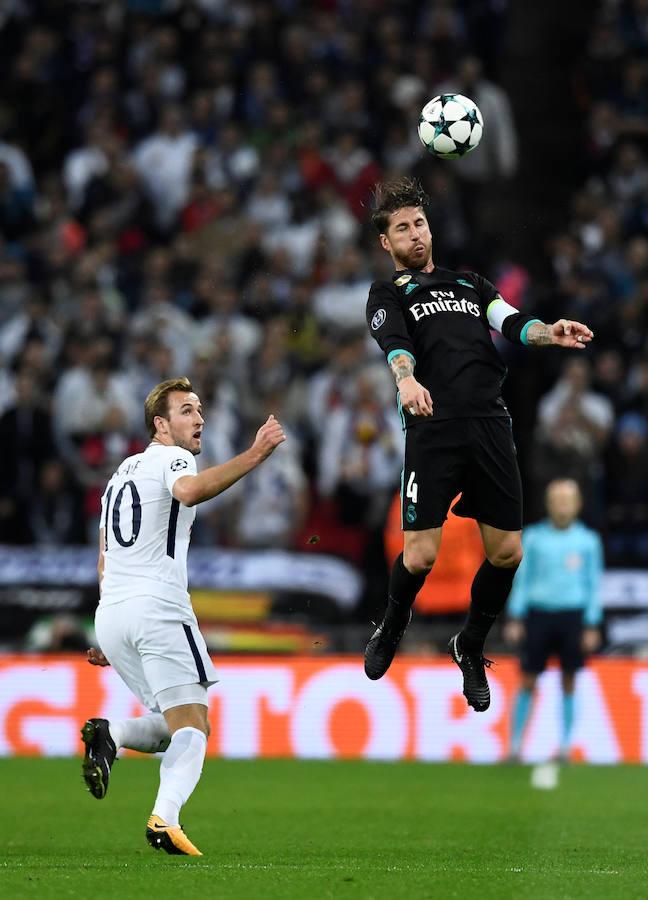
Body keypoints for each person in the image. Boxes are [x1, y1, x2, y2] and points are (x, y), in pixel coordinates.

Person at [363, 177, 594, 712]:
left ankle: (469, 644)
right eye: (402, 228)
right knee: (418, 556)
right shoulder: (388, 294)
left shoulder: (470, 285)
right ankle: (393, 625)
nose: (416, 235)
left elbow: (512, 322)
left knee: (507, 552)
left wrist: (547, 332)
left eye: (419, 223)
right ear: (386, 243)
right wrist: (405, 380)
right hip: (433, 427)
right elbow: (395, 345)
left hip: (490, 422)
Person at [81, 377, 285, 855]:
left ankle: (111, 733)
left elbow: (104, 556)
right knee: (193, 727)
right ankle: (164, 820)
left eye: (200, 409)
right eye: (187, 410)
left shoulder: (119, 475)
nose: (199, 419)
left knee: (172, 721)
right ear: (161, 424)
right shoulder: (175, 458)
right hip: (158, 607)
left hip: (113, 610)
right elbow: (190, 491)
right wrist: (255, 454)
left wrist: (110, 633)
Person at [505, 479, 604, 761]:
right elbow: (522, 580)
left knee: (569, 679)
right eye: (557, 499)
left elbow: (593, 584)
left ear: (578, 504)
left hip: (572, 615)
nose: (562, 504)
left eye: (567, 499)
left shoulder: (588, 541)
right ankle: (514, 746)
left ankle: (565, 745)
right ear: (548, 503)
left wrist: (591, 624)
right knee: (527, 678)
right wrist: (516, 616)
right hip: (539, 613)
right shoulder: (534, 537)